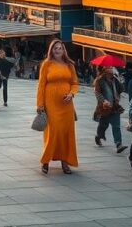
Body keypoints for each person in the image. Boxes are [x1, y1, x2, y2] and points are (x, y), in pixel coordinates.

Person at [36, 39, 78, 175]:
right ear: (51, 50)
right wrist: (40, 104)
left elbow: (75, 83)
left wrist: (72, 94)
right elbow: (41, 85)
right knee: (52, 132)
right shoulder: (46, 64)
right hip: (51, 104)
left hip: (66, 105)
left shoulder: (69, 64)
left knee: (66, 133)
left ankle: (65, 162)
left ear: (63, 50)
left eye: (60, 48)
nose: (57, 50)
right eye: (55, 48)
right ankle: (45, 161)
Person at [93, 67, 127, 153]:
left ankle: (118, 144)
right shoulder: (99, 80)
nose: (111, 68)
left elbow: (122, 89)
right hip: (104, 107)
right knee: (103, 125)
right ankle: (98, 136)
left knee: (116, 126)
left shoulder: (115, 79)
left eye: (112, 67)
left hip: (115, 107)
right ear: (104, 69)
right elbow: (97, 93)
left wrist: (119, 79)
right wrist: (104, 101)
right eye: (109, 67)